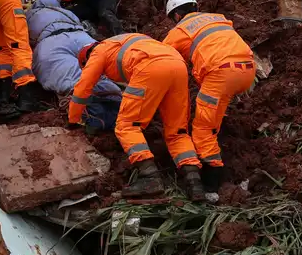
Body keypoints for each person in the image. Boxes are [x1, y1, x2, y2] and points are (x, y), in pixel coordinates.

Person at [69, 35, 205, 199]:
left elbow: (82, 88)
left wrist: (74, 119)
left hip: (150, 67)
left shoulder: (98, 52)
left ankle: (150, 177)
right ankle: (194, 183)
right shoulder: (125, 42)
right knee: (178, 131)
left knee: (126, 126)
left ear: (86, 58)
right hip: (177, 65)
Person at [163, 0, 256, 187]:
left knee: (202, 128)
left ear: (177, 15)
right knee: (214, 115)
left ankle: (212, 182)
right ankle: (216, 135)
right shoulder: (218, 18)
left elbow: (160, 57)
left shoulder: (179, 30)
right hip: (248, 70)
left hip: (220, 74)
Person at [27, 0, 122, 130]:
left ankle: (91, 114)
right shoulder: (67, 13)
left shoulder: (30, 15)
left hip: (51, 42)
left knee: (71, 80)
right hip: (81, 37)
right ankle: (117, 98)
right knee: (98, 70)